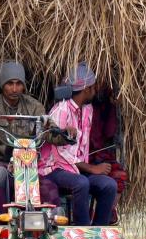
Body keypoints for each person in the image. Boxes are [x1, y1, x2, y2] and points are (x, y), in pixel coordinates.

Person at [0, 60, 60, 225]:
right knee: (0, 173)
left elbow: (49, 130)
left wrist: (62, 132)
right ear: (2, 85)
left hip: (26, 166)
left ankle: (53, 219)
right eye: (10, 84)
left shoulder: (34, 106)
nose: (14, 89)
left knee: (49, 185)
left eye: (19, 83)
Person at [38, 64, 117, 226]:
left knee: (109, 185)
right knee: (81, 183)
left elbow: (82, 148)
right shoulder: (61, 110)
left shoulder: (87, 110)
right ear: (87, 89)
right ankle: (82, 230)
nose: (95, 91)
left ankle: (98, 231)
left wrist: (86, 169)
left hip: (74, 169)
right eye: (93, 87)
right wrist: (91, 169)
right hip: (53, 169)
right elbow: (59, 153)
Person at [90, 84, 128, 224]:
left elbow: (110, 132)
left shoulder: (104, 107)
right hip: (82, 158)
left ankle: (110, 210)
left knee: (119, 174)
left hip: (99, 155)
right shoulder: (80, 107)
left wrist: (113, 106)